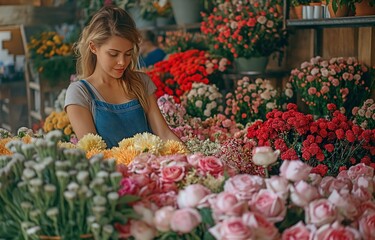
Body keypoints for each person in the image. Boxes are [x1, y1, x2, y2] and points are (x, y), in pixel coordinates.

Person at [64, 6, 181, 148]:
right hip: (111, 169)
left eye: (128, 54)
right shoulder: (80, 93)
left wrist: (193, 161)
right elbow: (93, 153)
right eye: (113, 54)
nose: (122, 62)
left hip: (151, 168)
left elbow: (164, 134)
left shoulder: (142, 82)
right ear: (93, 47)